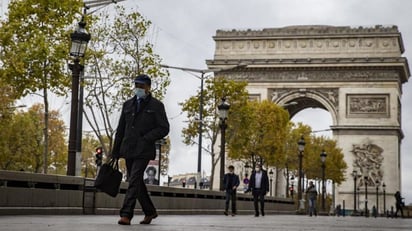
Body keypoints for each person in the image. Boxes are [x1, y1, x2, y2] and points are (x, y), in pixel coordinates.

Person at [112, 74, 169, 226]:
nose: (138, 88)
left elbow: (164, 128)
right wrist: (115, 151)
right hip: (129, 149)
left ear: (148, 87)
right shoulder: (127, 105)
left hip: (144, 149)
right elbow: (120, 130)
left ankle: (126, 214)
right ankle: (150, 211)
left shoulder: (156, 106)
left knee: (134, 178)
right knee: (135, 181)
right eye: (136, 85)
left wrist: (147, 138)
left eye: (141, 86)